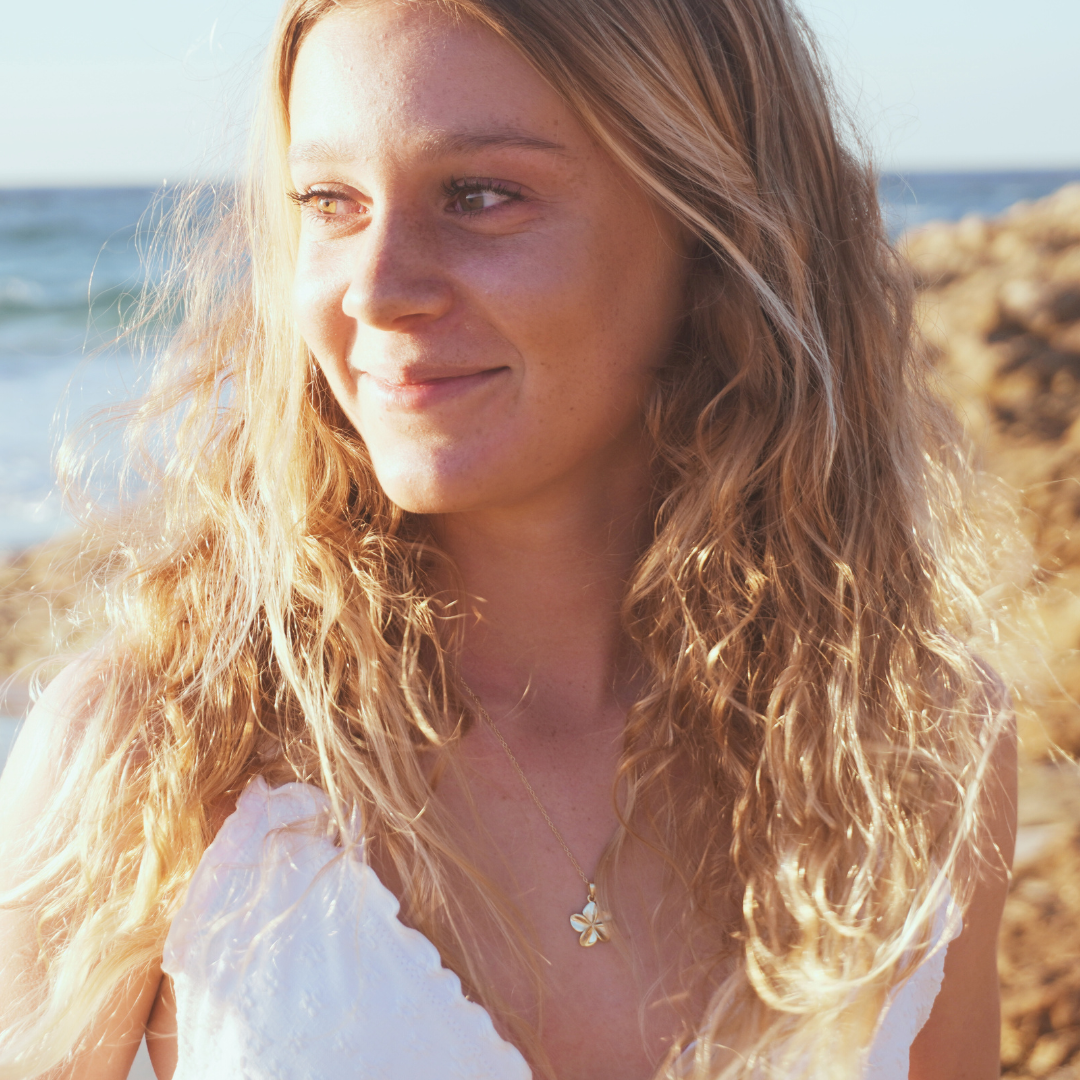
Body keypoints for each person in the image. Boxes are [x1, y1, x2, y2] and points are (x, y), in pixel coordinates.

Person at [0, 0, 1017, 1077]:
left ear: (716, 230)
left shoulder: (909, 754)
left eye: (481, 196)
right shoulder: (165, 751)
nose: (376, 290)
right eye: (330, 203)